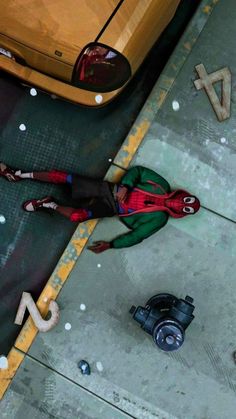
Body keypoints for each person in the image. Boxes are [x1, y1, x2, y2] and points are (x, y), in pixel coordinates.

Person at [0, 163, 200, 253]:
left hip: (110, 207)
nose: (179, 204)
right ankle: (18, 174)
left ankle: (48, 203)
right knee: (64, 178)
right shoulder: (161, 185)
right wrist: (125, 186)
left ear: (182, 213)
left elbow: (137, 236)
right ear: (183, 194)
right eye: (186, 201)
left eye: (185, 207)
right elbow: (139, 171)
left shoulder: (159, 220)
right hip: (109, 189)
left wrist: (112, 245)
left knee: (77, 216)